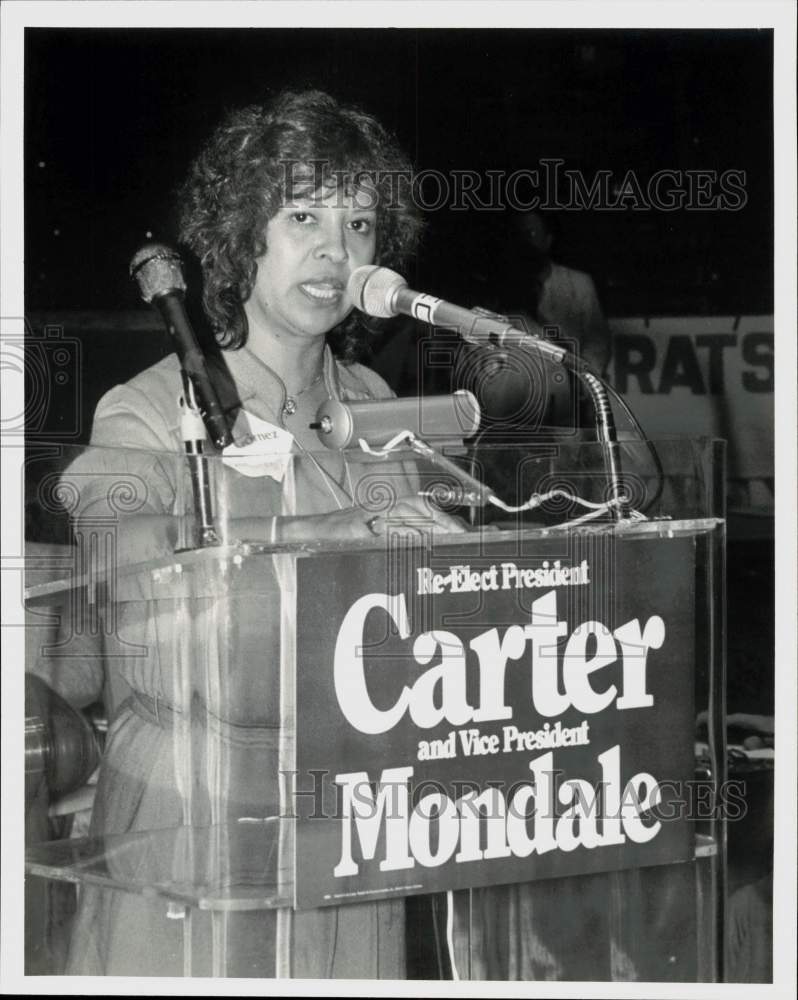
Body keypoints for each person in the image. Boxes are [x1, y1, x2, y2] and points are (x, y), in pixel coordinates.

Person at [62, 89, 464, 978]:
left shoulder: (391, 415)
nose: (336, 248)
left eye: (360, 223)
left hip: (353, 829)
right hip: (189, 825)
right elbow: (135, 608)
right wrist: (331, 529)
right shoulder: (145, 413)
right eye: (302, 215)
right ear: (241, 235)